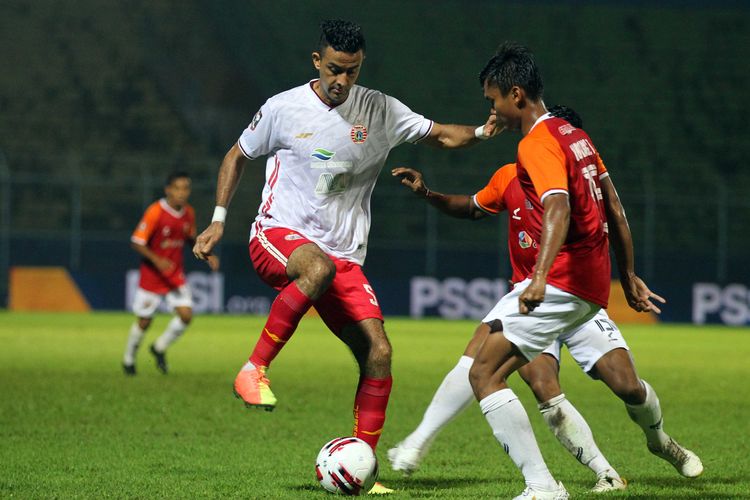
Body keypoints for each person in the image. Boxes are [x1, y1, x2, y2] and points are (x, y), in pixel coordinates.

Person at [192, 20, 498, 494]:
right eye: (334, 69)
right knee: (317, 267)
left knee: (378, 352)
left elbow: (441, 135)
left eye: (351, 72)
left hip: (343, 256)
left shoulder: (380, 109)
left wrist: (481, 130)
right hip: (278, 234)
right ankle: (253, 369)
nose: (342, 81)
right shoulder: (283, 108)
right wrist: (217, 219)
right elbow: (236, 155)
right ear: (317, 62)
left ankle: (363, 466)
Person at [388, 105, 703, 493]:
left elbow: (614, 215)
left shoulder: (571, 182)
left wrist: (628, 274)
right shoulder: (512, 175)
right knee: (529, 380)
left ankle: (659, 440)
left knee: (627, 386)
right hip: (534, 296)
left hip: (569, 292)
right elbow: (471, 208)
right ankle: (601, 474)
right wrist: (428, 194)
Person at [123, 171, 219, 376]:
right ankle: (128, 360)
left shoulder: (188, 213)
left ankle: (158, 348)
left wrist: (207, 253)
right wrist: (157, 259)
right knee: (144, 321)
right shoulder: (155, 211)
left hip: (174, 275)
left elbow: (189, 237)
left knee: (186, 315)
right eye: (177, 188)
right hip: (152, 275)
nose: (182, 193)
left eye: (186, 188)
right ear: (168, 190)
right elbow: (136, 242)